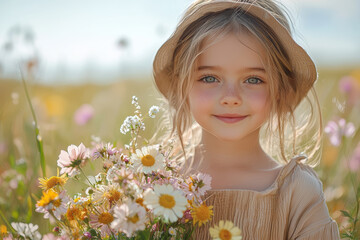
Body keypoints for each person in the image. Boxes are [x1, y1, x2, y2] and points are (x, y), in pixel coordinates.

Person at [152, 0, 340, 239]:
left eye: (253, 79)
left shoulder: (297, 193)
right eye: (209, 78)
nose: (231, 98)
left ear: (279, 89)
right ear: (182, 85)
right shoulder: (156, 186)